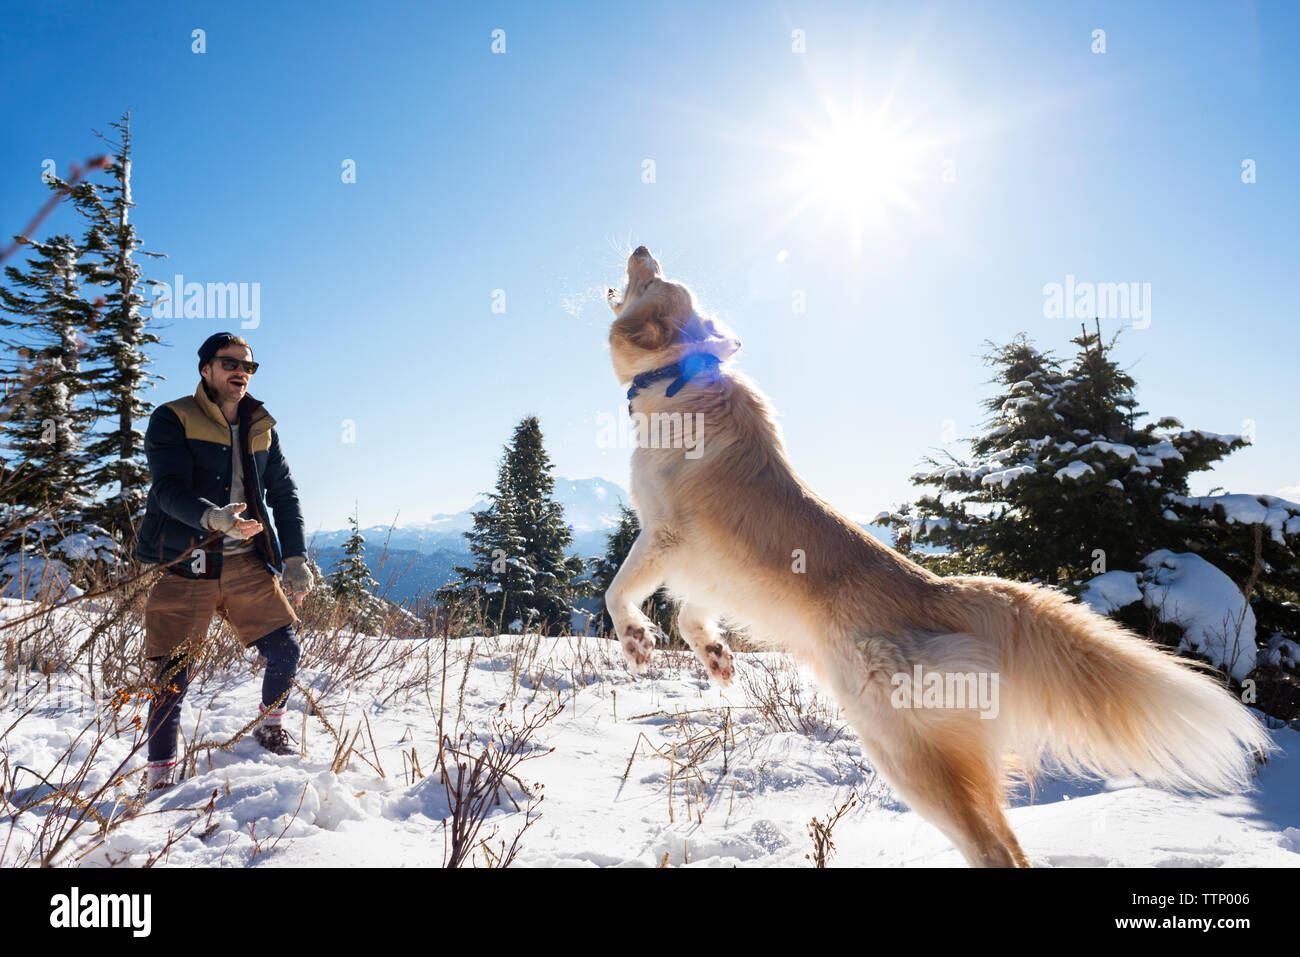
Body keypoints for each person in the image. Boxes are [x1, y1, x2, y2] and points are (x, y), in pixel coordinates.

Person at [135, 332, 316, 790]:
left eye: (249, 366)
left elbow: (283, 493)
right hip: (186, 560)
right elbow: (166, 489)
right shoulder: (173, 417)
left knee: (284, 649)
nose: (241, 372)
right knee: (173, 673)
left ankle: (270, 727)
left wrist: (294, 557)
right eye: (230, 363)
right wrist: (212, 517)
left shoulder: (261, 425)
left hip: (244, 561)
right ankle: (159, 777)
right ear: (206, 370)